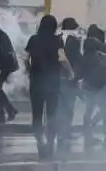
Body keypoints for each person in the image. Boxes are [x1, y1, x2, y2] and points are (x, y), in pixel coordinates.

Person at [25, 15, 72, 158]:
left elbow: (25, 58)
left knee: (37, 114)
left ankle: (40, 140)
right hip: (53, 82)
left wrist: (29, 70)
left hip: (36, 81)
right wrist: (70, 72)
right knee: (52, 114)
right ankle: (50, 141)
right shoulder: (57, 41)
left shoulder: (33, 40)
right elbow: (62, 58)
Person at [57, 17, 83, 151]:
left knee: (61, 106)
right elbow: (76, 58)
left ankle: (61, 132)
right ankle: (65, 132)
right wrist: (76, 75)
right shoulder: (74, 40)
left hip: (58, 76)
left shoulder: (58, 38)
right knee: (69, 106)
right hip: (70, 76)